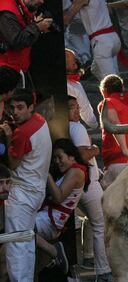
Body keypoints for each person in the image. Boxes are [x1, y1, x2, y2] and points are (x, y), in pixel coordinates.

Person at [1, 89, 52, 282]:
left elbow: (13, 164)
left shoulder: (22, 133)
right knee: (26, 242)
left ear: (31, 107)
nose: (15, 112)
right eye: (12, 107)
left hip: (22, 194)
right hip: (35, 191)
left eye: (20, 108)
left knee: (16, 247)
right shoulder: (40, 120)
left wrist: (8, 135)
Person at [68, 97, 114, 281]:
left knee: (63, 226)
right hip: (87, 183)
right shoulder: (77, 128)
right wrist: (95, 149)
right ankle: (103, 272)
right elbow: (83, 154)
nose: (77, 112)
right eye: (72, 108)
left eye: (78, 108)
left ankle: (82, 264)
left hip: (69, 184)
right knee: (100, 225)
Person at [35, 138, 88, 275]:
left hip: (50, 220)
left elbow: (58, 197)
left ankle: (54, 251)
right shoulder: (69, 172)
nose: (57, 161)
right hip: (48, 218)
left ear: (71, 156)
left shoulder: (76, 172)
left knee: (21, 229)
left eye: (60, 157)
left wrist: (47, 175)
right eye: (55, 158)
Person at [97, 75, 128, 189]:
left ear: (104, 91)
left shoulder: (107, 102)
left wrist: (125, 150)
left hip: (118, 162)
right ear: (122, 88)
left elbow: (115, 123)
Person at [63, 0, 121, 80]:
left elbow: (67, 19)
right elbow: (109, 11)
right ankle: (108, 89)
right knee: (95, 69)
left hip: (101, 41)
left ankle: (114, 90)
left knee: (112, 79)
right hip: (113, 37)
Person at [0, 0, 52, 87]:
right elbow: (16, 41)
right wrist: (37, 27)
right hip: (7, 70)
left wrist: (35, 24)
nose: (42, 1)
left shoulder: (18, 7)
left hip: (18, 67)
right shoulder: (6, 10)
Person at [65, 48, 98, 129]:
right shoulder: (75, 86)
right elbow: (86, 110)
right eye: (73, 62)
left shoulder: (75, 86)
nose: (75, 64)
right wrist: (94, 125)